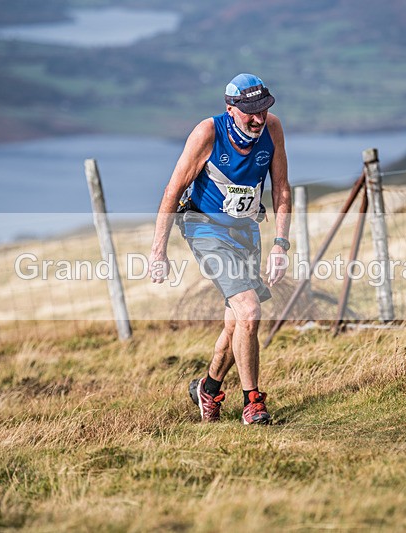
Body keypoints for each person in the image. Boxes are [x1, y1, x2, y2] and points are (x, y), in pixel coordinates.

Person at [149, 73, 291, 425]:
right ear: (230, 109)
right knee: (249, 310)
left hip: (246, 230)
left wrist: (280, 245)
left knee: (236, 324)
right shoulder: (208, 133)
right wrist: (158, 251)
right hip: (205, 228)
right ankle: (253, 402)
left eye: (263, 109)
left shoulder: (273, 128)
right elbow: (172, 190)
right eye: (250, 113)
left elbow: (281, 188)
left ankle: (208, 388)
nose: (258, 119)